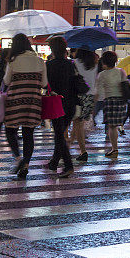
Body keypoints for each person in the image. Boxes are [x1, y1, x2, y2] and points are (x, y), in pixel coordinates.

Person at [2, 33, 47, 179]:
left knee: (10, 130)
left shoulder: (13, 61)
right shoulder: (40, 61)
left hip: (15, 101)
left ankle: (18, 158)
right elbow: (44, 84)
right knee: (28, 134)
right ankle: (26, 165)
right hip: (33, 102)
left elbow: (7, 81)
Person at [44, 36, 77, 178]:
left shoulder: (49, 65)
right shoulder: (71, 64)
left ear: (52, 50)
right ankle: (54, 161)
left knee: (59, 134)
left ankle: (68, 165)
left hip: (57, 103)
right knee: (60, 133)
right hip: (71, 104)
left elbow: (45, 84)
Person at [96, 51, 128, 158]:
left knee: (112, 127)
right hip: (121, 100)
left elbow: (99, 92)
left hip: (109, 100)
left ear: (104, 62)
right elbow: (125, 85)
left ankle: (114, 149)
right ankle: (115, 149)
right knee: (117, 125)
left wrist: (94, 104)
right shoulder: (121, 71)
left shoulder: (102, 75)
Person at [72, 48, 98, 162]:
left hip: (78, 96)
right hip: (91, 96)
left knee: (77, 123)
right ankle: (71, 144)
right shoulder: (95, 65)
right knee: (79, 124)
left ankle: (83, 151)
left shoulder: (75, 63)